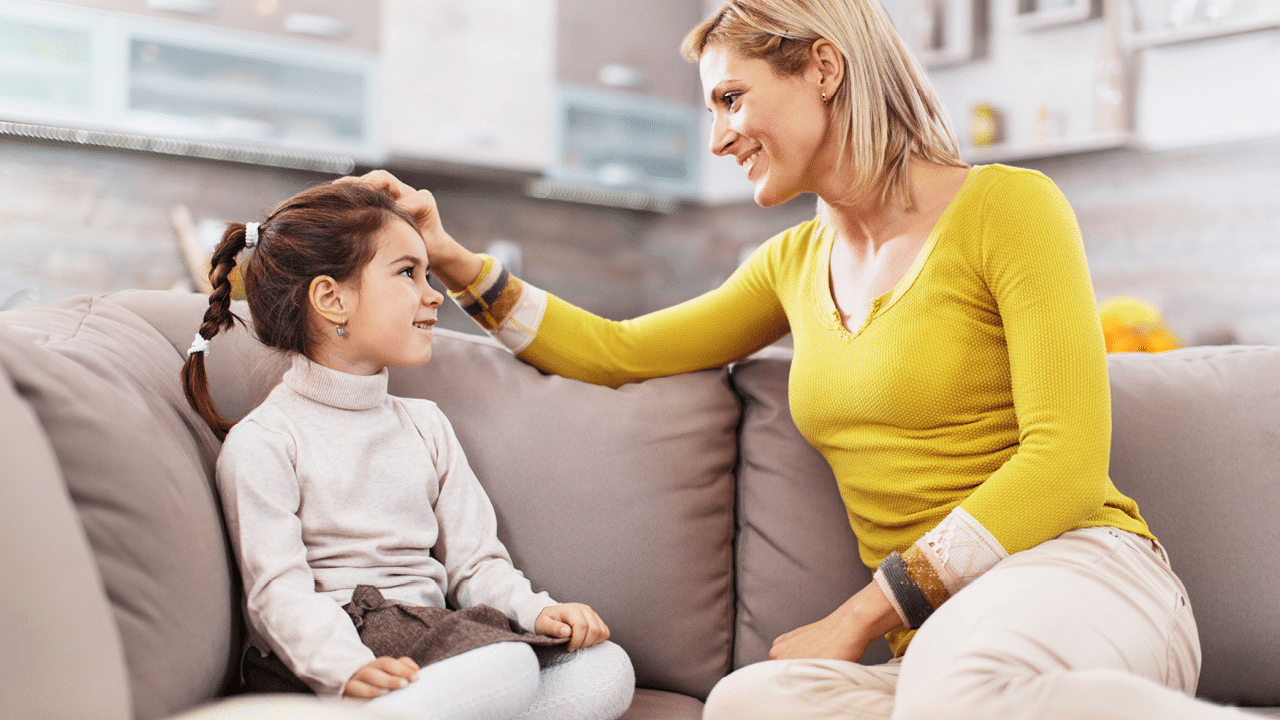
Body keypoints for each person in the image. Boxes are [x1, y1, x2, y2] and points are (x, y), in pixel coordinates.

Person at [345, 2, 1268, 717]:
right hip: (942, 650)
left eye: (732, 98)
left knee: (957, 686)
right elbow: (621, 351)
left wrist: (862, 615)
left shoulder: (1009, 210)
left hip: (1082, 576)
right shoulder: (791, 265)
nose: (719, 136)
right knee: (753, 702)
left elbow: (1065, 463)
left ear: (823, 66)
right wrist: (459, 262)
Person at [181, 182, 634, 720]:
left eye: (427, 273)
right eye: (407, 273)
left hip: (430, 638)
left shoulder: (426, 426)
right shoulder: (266, 441)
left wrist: (539, 611)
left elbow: (476, 566)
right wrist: (343, 667)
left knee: (607, 668)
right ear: (332, 299)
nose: (434, 293)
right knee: (506, 667)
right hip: (332, 653)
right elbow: (277, 592)